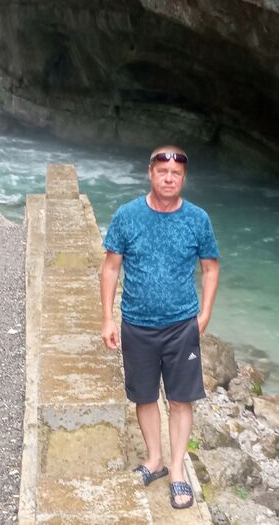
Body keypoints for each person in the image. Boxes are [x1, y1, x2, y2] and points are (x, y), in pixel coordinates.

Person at [100, 145, 219, 509]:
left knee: (181, 399)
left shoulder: (197, 219)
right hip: (137, 324)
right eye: (163, 172)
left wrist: (205, 315)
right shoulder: (127, 215)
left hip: (182, 326)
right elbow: (110, 268)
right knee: (144, 396)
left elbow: (210, 269)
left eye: (176, 174)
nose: (169, 179)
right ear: (150, 173)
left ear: (184, 178)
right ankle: (155, 460)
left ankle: (178, 470)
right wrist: (107, 318)